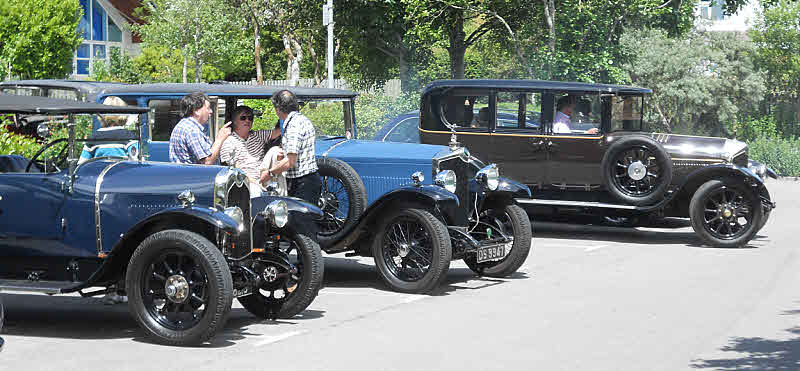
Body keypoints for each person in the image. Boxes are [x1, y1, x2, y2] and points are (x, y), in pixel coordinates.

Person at [260, 90, 320, 204]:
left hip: (302, 183)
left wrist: (269, 173)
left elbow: (290, 161)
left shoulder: (293, 126)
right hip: (308, 180)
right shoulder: (302, 119)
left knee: (301, 220)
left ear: (278, 109)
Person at [219, 105, 284, 197]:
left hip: (266, 177)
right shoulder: (229, 142)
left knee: (276, 151)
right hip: (244, 182)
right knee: (256, 192)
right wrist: (257, 183)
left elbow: (278, 132)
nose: (247, 121)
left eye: (250, 118)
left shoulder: (258, 135)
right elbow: (236, 171)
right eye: (243, 118)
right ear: (234, 121)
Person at [168, 92, 231, 164]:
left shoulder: (184, 125)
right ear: (196, 111)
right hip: (193, 175)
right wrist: (220, 139)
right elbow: (207, 162)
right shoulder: (191, 130)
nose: (211, 111)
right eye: (208, 108)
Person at [78, 96, 138, 164]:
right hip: (121, 172)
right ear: (123, 114)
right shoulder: (128, 136)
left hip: (99, 172)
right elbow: (136, 161)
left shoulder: (94, 138)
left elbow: (82, 163)